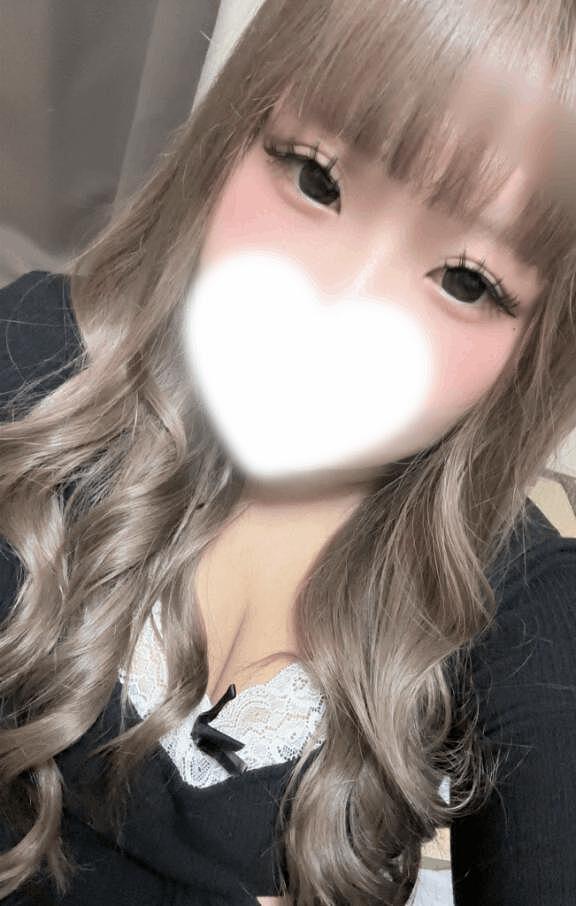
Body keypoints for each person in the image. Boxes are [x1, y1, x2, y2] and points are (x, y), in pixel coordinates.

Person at [1, 0, 576, 903]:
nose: (339, 309)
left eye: (468, 281)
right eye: (315, 178)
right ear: (230, 137)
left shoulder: (520, 607)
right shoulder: (30, 360)